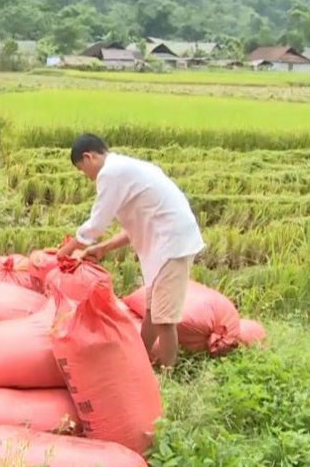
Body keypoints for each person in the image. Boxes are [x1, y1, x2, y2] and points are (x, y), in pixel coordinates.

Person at [56, 134, 205, 369]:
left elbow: (97, 223)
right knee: (152, 311)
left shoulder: (110, 173)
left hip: (172, 244)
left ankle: (168, 375)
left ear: (89, 157)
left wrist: (65, 250)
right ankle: (141, 358)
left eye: (82, 169)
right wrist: (103, 248)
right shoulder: (126, 169)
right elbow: (135, 227)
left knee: (164, 319)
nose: (86, 176)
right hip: (165, 243)